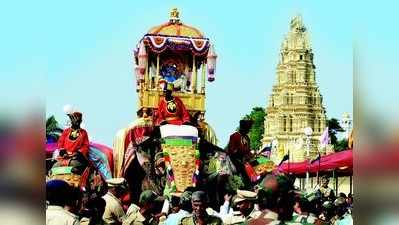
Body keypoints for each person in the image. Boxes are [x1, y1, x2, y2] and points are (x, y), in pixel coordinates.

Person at [227, 119, 254, 187]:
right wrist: (242, 152)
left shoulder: (247, 137)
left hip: (245, 159)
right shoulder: (234, 136)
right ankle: (247, 185)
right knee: (243, 168)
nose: (248, 131)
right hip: (234, 160)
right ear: (242, 128)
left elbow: (248, 150)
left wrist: (251, 154)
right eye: (247, 129)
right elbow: (232, 151)